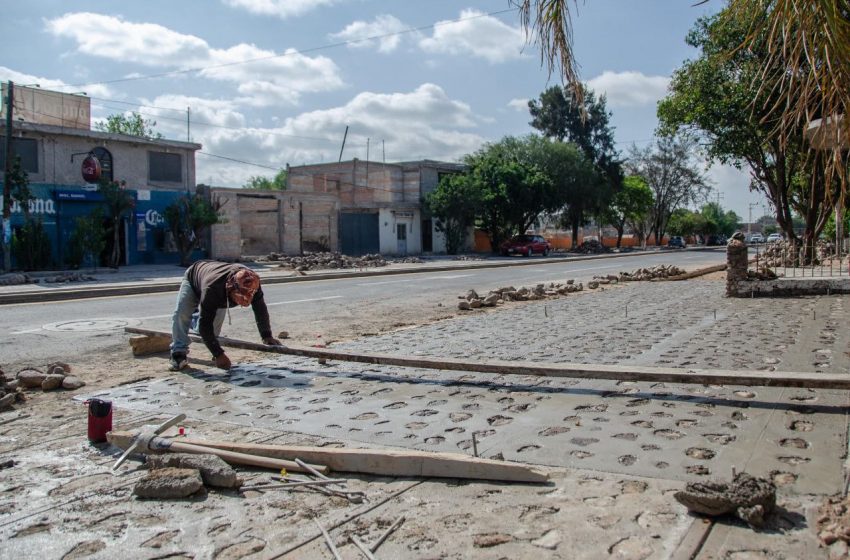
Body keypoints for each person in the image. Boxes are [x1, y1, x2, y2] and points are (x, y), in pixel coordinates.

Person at [169, 260, 282, 371]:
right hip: (194, 278)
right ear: (230, 288)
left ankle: (195, 320)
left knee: (209, 330)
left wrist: (266, 335)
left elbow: (260, 309)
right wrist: (218, 354)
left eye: (248, 297)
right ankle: (178, 351)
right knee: (182, 314)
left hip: (216, 285)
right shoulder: (213, 289)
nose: (245, 301)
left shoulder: (251, 282)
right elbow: (205, 325)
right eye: (241, 296)